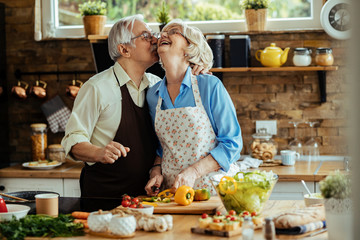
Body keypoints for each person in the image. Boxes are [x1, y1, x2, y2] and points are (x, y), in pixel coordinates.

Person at [62, 15, 205, 198]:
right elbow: (72, 140)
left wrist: (197, 73)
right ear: (124, 49)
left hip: (148, 196)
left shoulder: (156, 85)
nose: (155, 39)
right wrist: (99, 152)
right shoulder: (96, 88)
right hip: (105, 198)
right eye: (146, 36)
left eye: (153, 34)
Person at [145, 19, 243, 196]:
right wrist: (156, 171)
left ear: (190, 47)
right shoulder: (153, 95)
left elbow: (232, 144)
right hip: (173, 193)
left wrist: (194, 172)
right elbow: (162, 147)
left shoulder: (209, 86)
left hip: (214, 191)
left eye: (174, 31)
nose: (163, 35)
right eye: (161, 33)